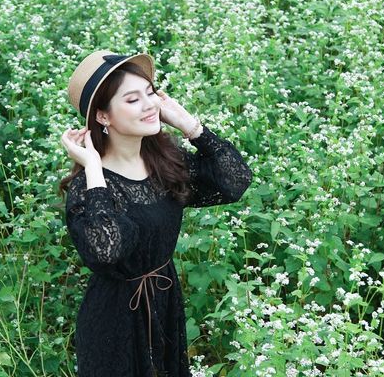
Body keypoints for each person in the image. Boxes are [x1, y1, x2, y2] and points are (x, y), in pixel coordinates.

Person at [59, 50, 252, 377]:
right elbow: (106, 250)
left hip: (164, 301)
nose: (149, 105)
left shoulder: (164, 161)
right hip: (114, 321)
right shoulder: (89, 187)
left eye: (150, 93)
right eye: (132, 100)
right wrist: (93, 167)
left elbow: (236, 182)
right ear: (103, 116)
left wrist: (190, 125)